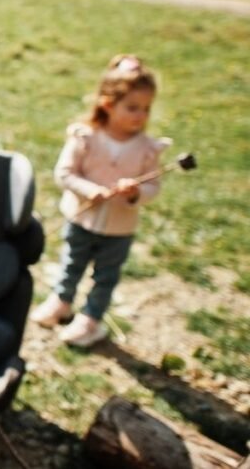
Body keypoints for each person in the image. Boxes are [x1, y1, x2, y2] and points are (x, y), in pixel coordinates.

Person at [31, 54, 170, 347]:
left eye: (146, 108)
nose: (140, 115)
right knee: (72, 263)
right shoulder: (86, 137)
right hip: (81, 218)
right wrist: (88, 189)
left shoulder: (147, 150)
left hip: (120, 228)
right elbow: (65, 174)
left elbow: (153, 188)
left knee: (106, 276)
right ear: (107, 104)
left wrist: (135, 193)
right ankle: (61, 301)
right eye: (132, 107)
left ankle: (90, 319)